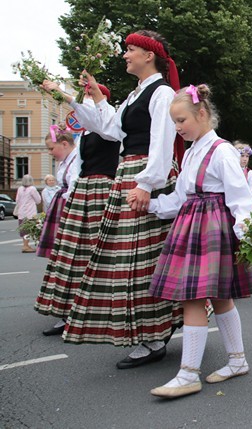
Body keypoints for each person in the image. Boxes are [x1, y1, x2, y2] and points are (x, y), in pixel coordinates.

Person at [63, 30, 184, 369]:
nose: (125, 55)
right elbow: (111, 130)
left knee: (143, 260)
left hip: (145, 175)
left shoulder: (161, 93)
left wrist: (147, 184)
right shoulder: (137, 94)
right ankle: (151, 329)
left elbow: (162, 142)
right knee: (130, 260)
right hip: (129, 174)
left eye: (130, 49)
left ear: (149, 55)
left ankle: (155, 334)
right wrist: (81, 97)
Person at [144, 84, 252, 399]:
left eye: (181, 121)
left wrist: (247, 238)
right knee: (218, 299)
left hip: (212, 226)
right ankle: (237, 361)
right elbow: (181, 197)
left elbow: (240, 198)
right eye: (175, 122)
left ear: (202, 113)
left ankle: (188, 374)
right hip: (193, 224)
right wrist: (151, 205)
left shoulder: (221, 151)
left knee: (194, 298)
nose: (177, 128)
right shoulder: (193, 151)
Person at [34, 83, 120, 337]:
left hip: (103, 191)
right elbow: (79, 167)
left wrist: (64, 95)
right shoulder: (84, 134)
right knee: (70, 256)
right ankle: (68, 311)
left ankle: (103, 312)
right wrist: (71, 198)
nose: (85, 102)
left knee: (102, 255)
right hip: (83, 192)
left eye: (89, 96)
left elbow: (103, 130)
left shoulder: (109, 122)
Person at [36, 126, 79, 259]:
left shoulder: (76, 160)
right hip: (62, 202)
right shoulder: (64, 162)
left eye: (51, 148)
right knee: (59, 245)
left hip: (69, 203)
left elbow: (74, 186)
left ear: (64, 144)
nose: (50, 152)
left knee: (68, 243)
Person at [15, 174, 41, 253]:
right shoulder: (32, 189)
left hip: (21, 212)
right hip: (30, 212)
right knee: (30, 229)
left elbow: (17, 200)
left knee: (23, 229)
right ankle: (26, 246)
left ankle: (25, 244)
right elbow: (38, 200)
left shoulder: (20, 188)